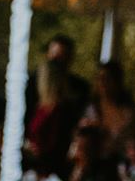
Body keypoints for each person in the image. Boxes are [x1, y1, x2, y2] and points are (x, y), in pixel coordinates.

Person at [24, 36, 88, 171]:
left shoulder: (78, 92)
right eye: (53, 57)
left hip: (59, 161)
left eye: (61, 57)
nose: (56, 64)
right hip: (32, 160)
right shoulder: (31, 85)